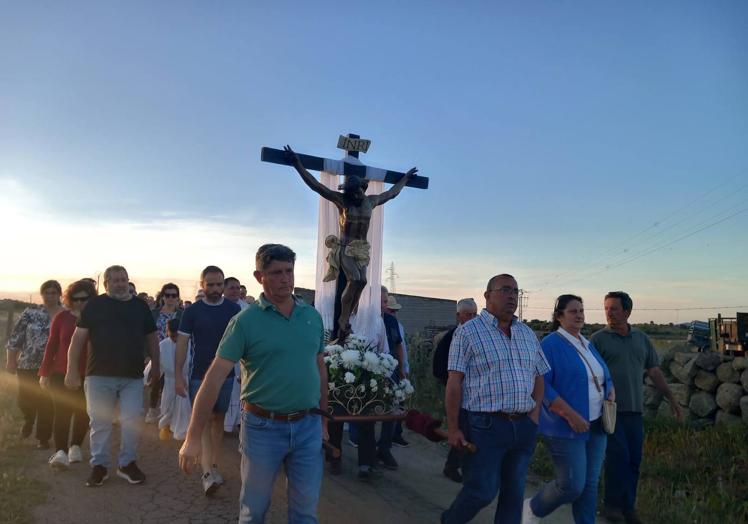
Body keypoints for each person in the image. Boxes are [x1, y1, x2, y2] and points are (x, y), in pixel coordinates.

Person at [179, 244, 328, 523]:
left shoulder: (311, 317)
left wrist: (324, 422)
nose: (285, 279)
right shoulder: (245, 322)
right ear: (259, 277)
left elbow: (319, 369)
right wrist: (192, 437)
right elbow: (213, 378)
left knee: (305, 512)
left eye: (289, 271)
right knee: (254, 510)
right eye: (276, 273)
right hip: (262, 429)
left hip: (307, 426)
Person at [442, 274, 550, 524]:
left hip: (523, 426)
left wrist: (533, 416)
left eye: (515, 291)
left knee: (514, 494)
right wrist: (454, 428)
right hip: (485, 426)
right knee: (482, 490)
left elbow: (539, 376)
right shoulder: (469, 332)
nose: (512, 296)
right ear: (487, 295)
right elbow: (454, 382)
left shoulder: (526, 333)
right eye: (505, 290)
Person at [285, 144, 416, 339]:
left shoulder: (370, 202)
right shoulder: (343, 201)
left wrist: (404, 179)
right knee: (355, 279)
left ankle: (348, 315)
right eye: (352, 192)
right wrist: (298, 165)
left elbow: (391, 193)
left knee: (362, 281)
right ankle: (342, 319)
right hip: (345, 248)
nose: (355, 195)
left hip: (361, 249)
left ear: (362, 189)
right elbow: (316, 186)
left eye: (358, 192)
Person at [591, 291, 683, 524]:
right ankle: (611, 506)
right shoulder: (598, 340)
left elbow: (654, 371)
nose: (609, 313)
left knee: (634, 460)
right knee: (617, 458)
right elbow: (589, 375)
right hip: (609, 411)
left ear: (627, 311)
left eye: (614, 308)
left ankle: (628, 507)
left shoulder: (642, 339)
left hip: (635, 411)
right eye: (606, 308)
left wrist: (672, 400)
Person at [65, 265, 160, 487]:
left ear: (128, 281)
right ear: (106, 284)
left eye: (123, 279)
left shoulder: (140, 307)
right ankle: (99, 466)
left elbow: (152, 337)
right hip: (99, 375)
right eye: (115, 280)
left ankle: (127, 464)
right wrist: (71, 370)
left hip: (132, 376)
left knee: (132, 420)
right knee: (100, 422)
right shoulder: (95, 306)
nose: (120, 283)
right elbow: (77, 339)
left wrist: (156, 367)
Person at [524, 295, 615, 524]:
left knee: (590, 484)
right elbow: (542, 385)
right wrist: (569, 414)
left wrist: (611, 390)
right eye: (573, 311)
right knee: (572, 485)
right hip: (565, 426)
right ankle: (533, 508)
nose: (579, 315)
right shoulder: (550, 345)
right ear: (559, 316)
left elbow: (604, 375)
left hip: (597, 424)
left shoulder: (586, 343)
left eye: (582, 310)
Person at [175, 265, 241, 495]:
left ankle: (214, 464)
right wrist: (177, 376)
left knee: (218, 422)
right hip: (198, 377)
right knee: (201, 420)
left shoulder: (234, 310)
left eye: (218, 284)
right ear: (202, 285)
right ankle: (206, 473)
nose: (215, 289)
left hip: (227, 376)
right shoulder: (192, 312)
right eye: (210, 284)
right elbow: (182, 345)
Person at [39, 280, 97, 468]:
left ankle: (75, 446)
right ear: (69, 299)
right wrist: (44, 373)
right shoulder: (62, 318)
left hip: (89, 374)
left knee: (83, 413)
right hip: (60, 373)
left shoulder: (98, 319)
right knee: (62, 413)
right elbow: (51, 345)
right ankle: (61, 452)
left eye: (84, 299)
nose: (79, 302)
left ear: (91, 298)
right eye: (75, 298)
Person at [5, 280, 63, 449]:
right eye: (47, 292)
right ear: (42, 294)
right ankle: (28, 419)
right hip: (28, 364)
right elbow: (16, 337)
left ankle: (43, 438)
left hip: (54, 367)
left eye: (53, 293)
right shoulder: (30, 313)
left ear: (59, 294)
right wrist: (11, 360)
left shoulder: (66, 315)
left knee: (47, 402)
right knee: (26, 399)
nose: (50, 296)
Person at [432, 297, 478, 483]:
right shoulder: (451, 338)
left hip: (477, 394)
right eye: (469, 314)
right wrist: (452, 385)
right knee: (461, 428)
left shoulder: (481, 336)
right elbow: (439, 367)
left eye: (476, 314)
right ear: (459, 316)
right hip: (458, 393)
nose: (473, 318)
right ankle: (453, 466)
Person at [146, 283, 184, 424]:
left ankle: (170, 413)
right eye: (167, 295)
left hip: (176, 351)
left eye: (173, 295)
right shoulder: (154, 313)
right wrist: (147, 354)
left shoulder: (182, 314)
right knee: (156, 380)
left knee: (172, 382)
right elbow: (146, 334)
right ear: (162, 297)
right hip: (156, 351)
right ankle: (152, 409)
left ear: (178, 297)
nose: (170, 298)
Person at [385, 294, 409, 448]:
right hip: (387, 368)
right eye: (391, 310)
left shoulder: (397, 325)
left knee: (399, 402)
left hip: (397, 368)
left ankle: (396, 434)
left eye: (395, 311)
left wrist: (403, 367)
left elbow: (402, 348)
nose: (394, 314)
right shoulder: (382, 323)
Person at [156, 318, 182, 441]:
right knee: (167, 405)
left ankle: (182, 430)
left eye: (177, 336)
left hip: (184, 380)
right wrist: (150, 377)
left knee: (184, 407)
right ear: (167, 332)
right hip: (169, 380)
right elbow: (155, 364)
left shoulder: (189, 342)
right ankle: (165, 426)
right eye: (172, 336)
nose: (175, 339)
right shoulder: (163, 345)